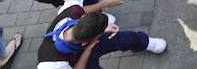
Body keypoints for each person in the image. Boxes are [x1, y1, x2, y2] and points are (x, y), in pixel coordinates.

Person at [36, 7, 167, 68]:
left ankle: (143, 43)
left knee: (121, 38)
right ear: (86, 42)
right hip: (76, 63)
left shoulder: (73, 12)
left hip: (85, 42)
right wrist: (88, 50)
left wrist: (104, 30)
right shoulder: (55, 64)